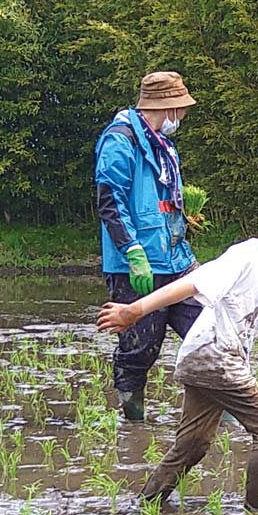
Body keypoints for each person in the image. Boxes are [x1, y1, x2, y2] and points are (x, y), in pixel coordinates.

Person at [96, 185, 258, 512]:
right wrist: (134, 311)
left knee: (193, 445)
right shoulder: (245, 257)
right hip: (217, 360)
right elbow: (190, 284)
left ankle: (145, 505)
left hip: (200, 362)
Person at [94, 71, 203, 422]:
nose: (182, 116)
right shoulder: (119, 141)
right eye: (181, 109)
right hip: (137, 264)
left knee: (210, 327)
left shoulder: (163, 145)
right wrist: (132, 250)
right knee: (140, 347)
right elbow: (110, 200)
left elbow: (160, 198)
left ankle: (226, 411)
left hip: (177, 258)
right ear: (166, 107)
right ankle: (133, 420)